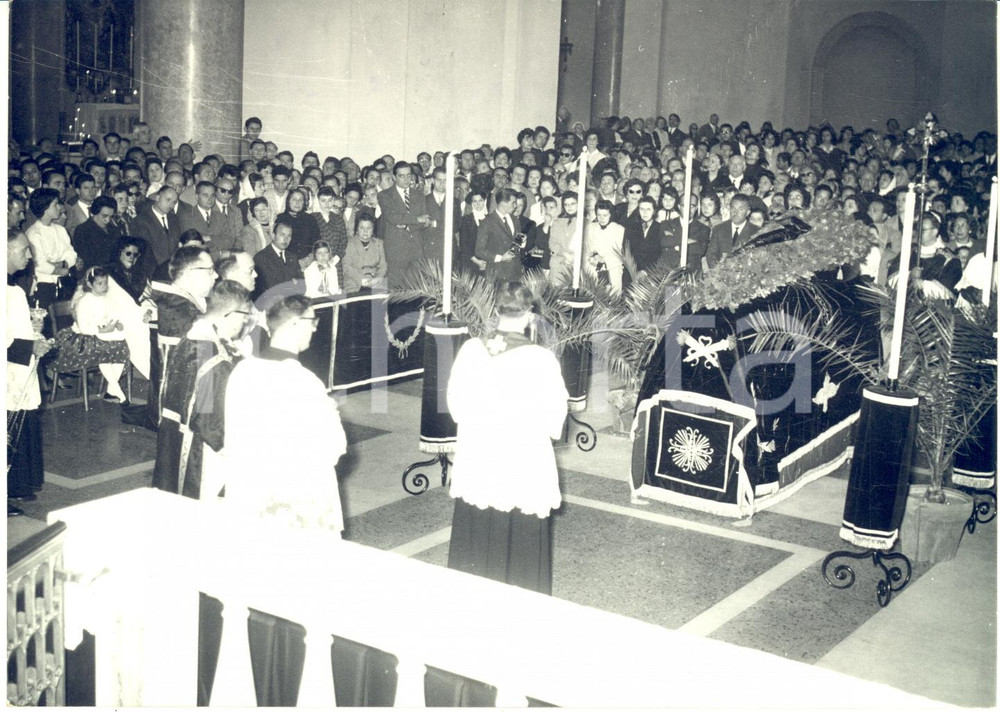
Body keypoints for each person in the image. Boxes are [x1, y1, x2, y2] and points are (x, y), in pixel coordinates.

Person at [446, 282, 568, 594]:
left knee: (478, 533)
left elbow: (455, 405)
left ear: (496, 311)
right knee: (520, 542)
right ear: (530, 316)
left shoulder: (471, 350)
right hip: (520, 465)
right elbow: (555, 419)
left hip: (480, 461)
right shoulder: (541, 360)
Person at [223, 294, 347, 531]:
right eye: (312, 321)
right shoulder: (304, 382)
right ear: (294, 324)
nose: (314, 328)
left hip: (251, 494)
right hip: (294, 504)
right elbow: (335, 447)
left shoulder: (242, 370)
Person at [153, 280, 251, 500]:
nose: (244, 323)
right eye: (244, 317)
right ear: (231, 314)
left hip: (173, 439)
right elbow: (209, 420)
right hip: (202, 454)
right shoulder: (212, 360)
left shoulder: (192, 338)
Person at [8, 230, 53, 515]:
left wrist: (36, 338)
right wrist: (29, 346)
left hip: (18, 371)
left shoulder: (13, 288)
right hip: (9, 370)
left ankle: (16, 487)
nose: (29, 255)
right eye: (24, 249)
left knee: (19, 428)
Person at [51, 266, 131, 403]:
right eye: (100, 283)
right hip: (84, 338)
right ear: (89, 284)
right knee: (104, 352)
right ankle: (121, 395)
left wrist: (117, 323)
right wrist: (101, 330)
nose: (104, 286)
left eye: (105, 283)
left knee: (122, 348)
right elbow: (84, 328)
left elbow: (114, 315)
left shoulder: (108, 299)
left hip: (104, 335)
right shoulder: (84, 301)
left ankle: (111, 392)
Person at [25, 188, 80, 309]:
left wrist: (63, 264)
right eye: (55, 204)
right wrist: (60, 270)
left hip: (65, 283)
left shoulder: (60, 229)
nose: (59, 208)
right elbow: (39, 264)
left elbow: (71, 254)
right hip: (44, 286)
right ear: (45, 208)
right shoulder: (33, 233)